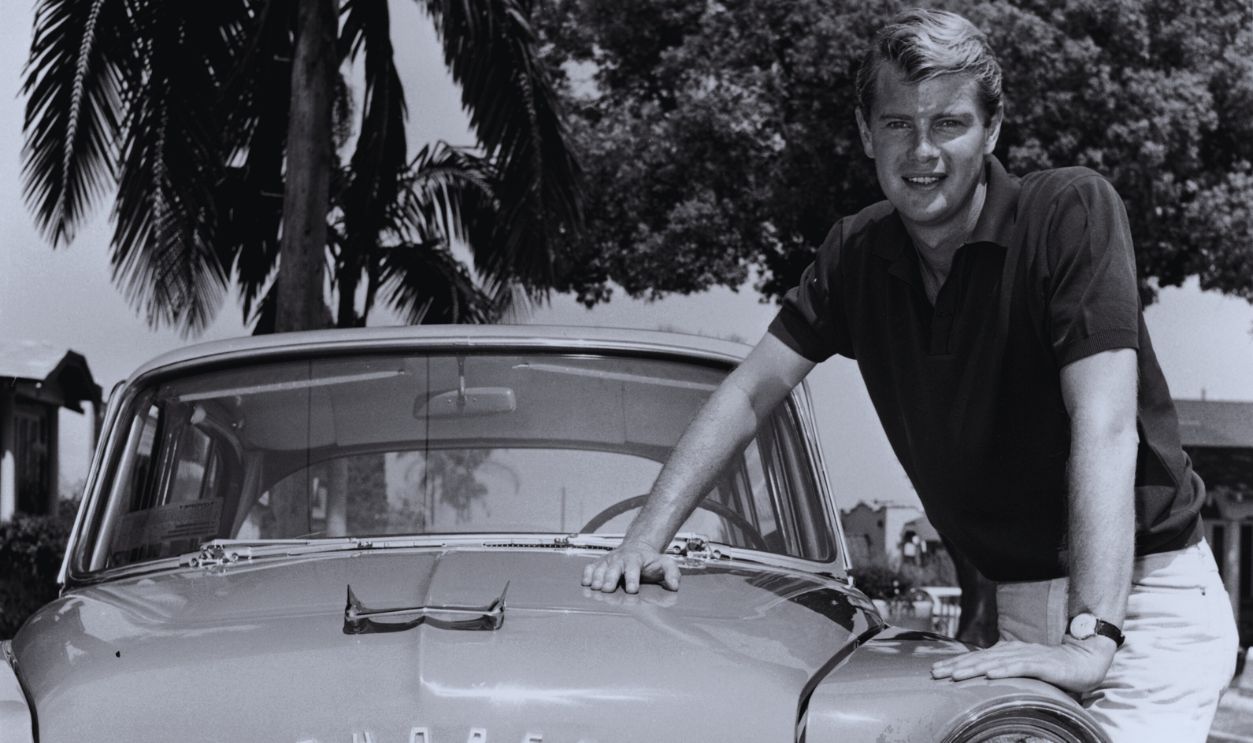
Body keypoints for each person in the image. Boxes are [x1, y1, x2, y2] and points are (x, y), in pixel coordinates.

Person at [580, 8, 1237, 741]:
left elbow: (1104, 422)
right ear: (866, 132)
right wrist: (645, 537)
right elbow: (749, 389)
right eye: (897, 124)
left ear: (990, 130)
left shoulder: (1068, 211)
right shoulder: (856, 254)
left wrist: (1090, 634)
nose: (921, 151)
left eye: (948, 124)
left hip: (1140, 601)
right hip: (1024, 607)